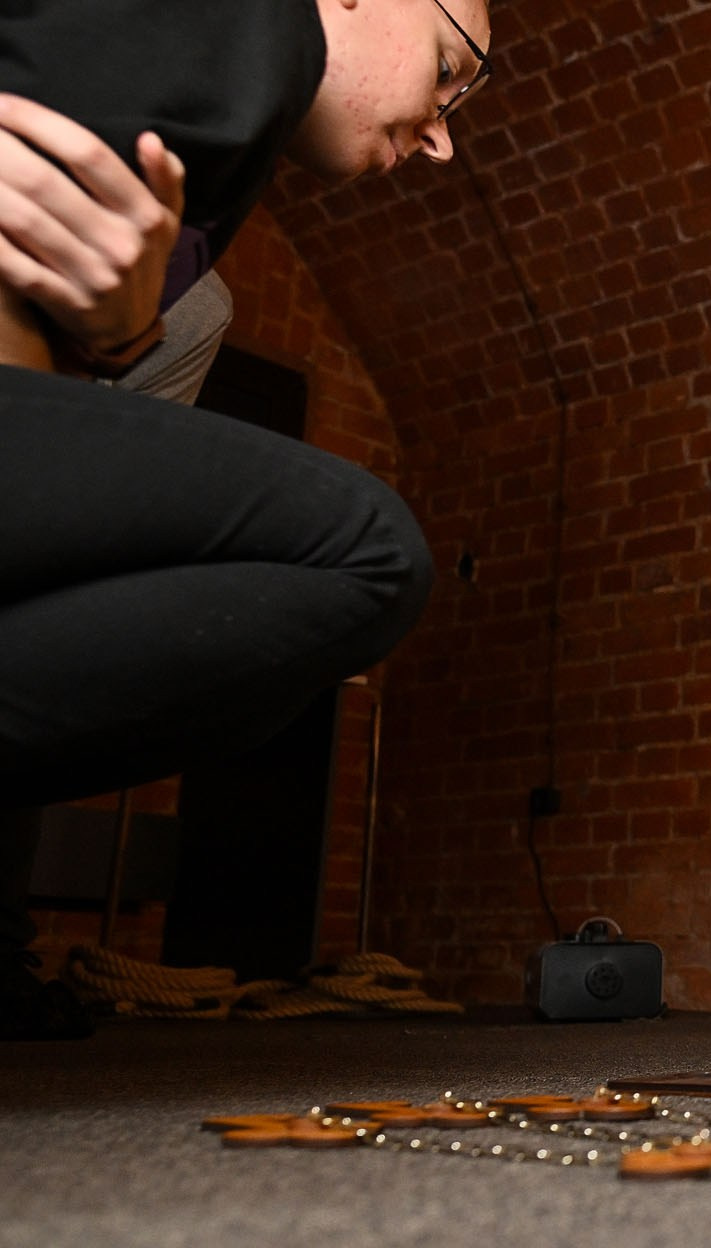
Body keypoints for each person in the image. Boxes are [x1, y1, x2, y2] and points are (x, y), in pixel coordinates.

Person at [0, 0, 493, 1037]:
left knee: (195, 324)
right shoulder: (257, 31)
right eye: (450, 67)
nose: (445, 135)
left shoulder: (232, 143)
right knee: (364, 554)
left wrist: (117, 336)